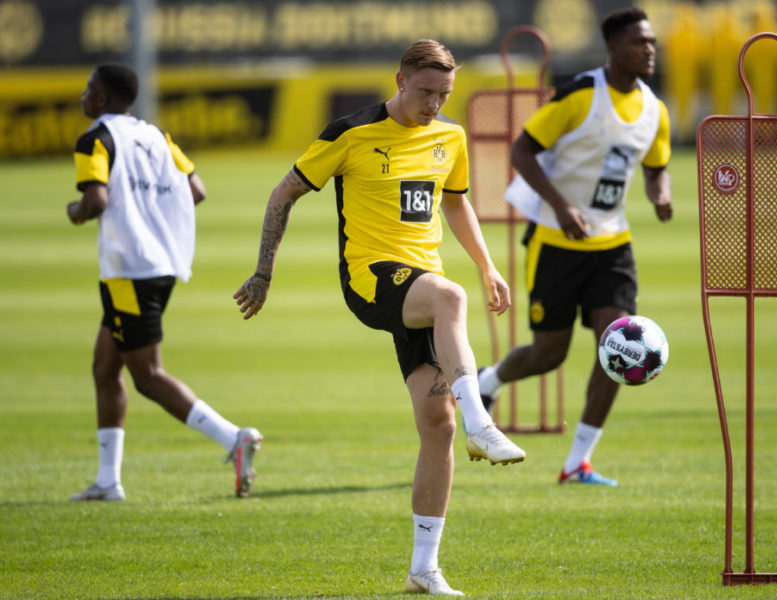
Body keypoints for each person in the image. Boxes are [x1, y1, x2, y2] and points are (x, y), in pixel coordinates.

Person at [234, 39, 525, 596]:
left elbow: (455, 200)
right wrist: (263, 272)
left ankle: (424, 568)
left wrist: (487, 265)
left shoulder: (451, 137)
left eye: (444, 94)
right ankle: (482, 423)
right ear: (399, 79)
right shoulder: (352, 132)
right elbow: (283, 193)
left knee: (436, 426)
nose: (434, 104)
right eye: (424, 92)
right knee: (452, 300)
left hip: (421, 285)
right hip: (371, 279)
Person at [478, 7, 672, 487]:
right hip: (554, 241)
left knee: (617, 347)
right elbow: (522, 149)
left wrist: (660, 193)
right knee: (549, 355)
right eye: (638, 43)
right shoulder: (581, 96)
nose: (649, 50)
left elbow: (655, 165)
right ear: (612, 49)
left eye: (651, 42)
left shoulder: (655, 110)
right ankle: (487, 383)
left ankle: (577, 462)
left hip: (612, 244)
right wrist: (562, 206)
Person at [66, 64, 263, 501]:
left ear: (100, 100)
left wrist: (75, 212)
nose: (83, 95)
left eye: (88, 89)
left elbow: (95, 200)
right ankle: (108, 481)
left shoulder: (94, 139)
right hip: (161, 264)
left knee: (147, 376)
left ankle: (234, 438)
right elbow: (196, 189)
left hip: (128, 270)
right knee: (105, 366)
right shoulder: (158, 137)